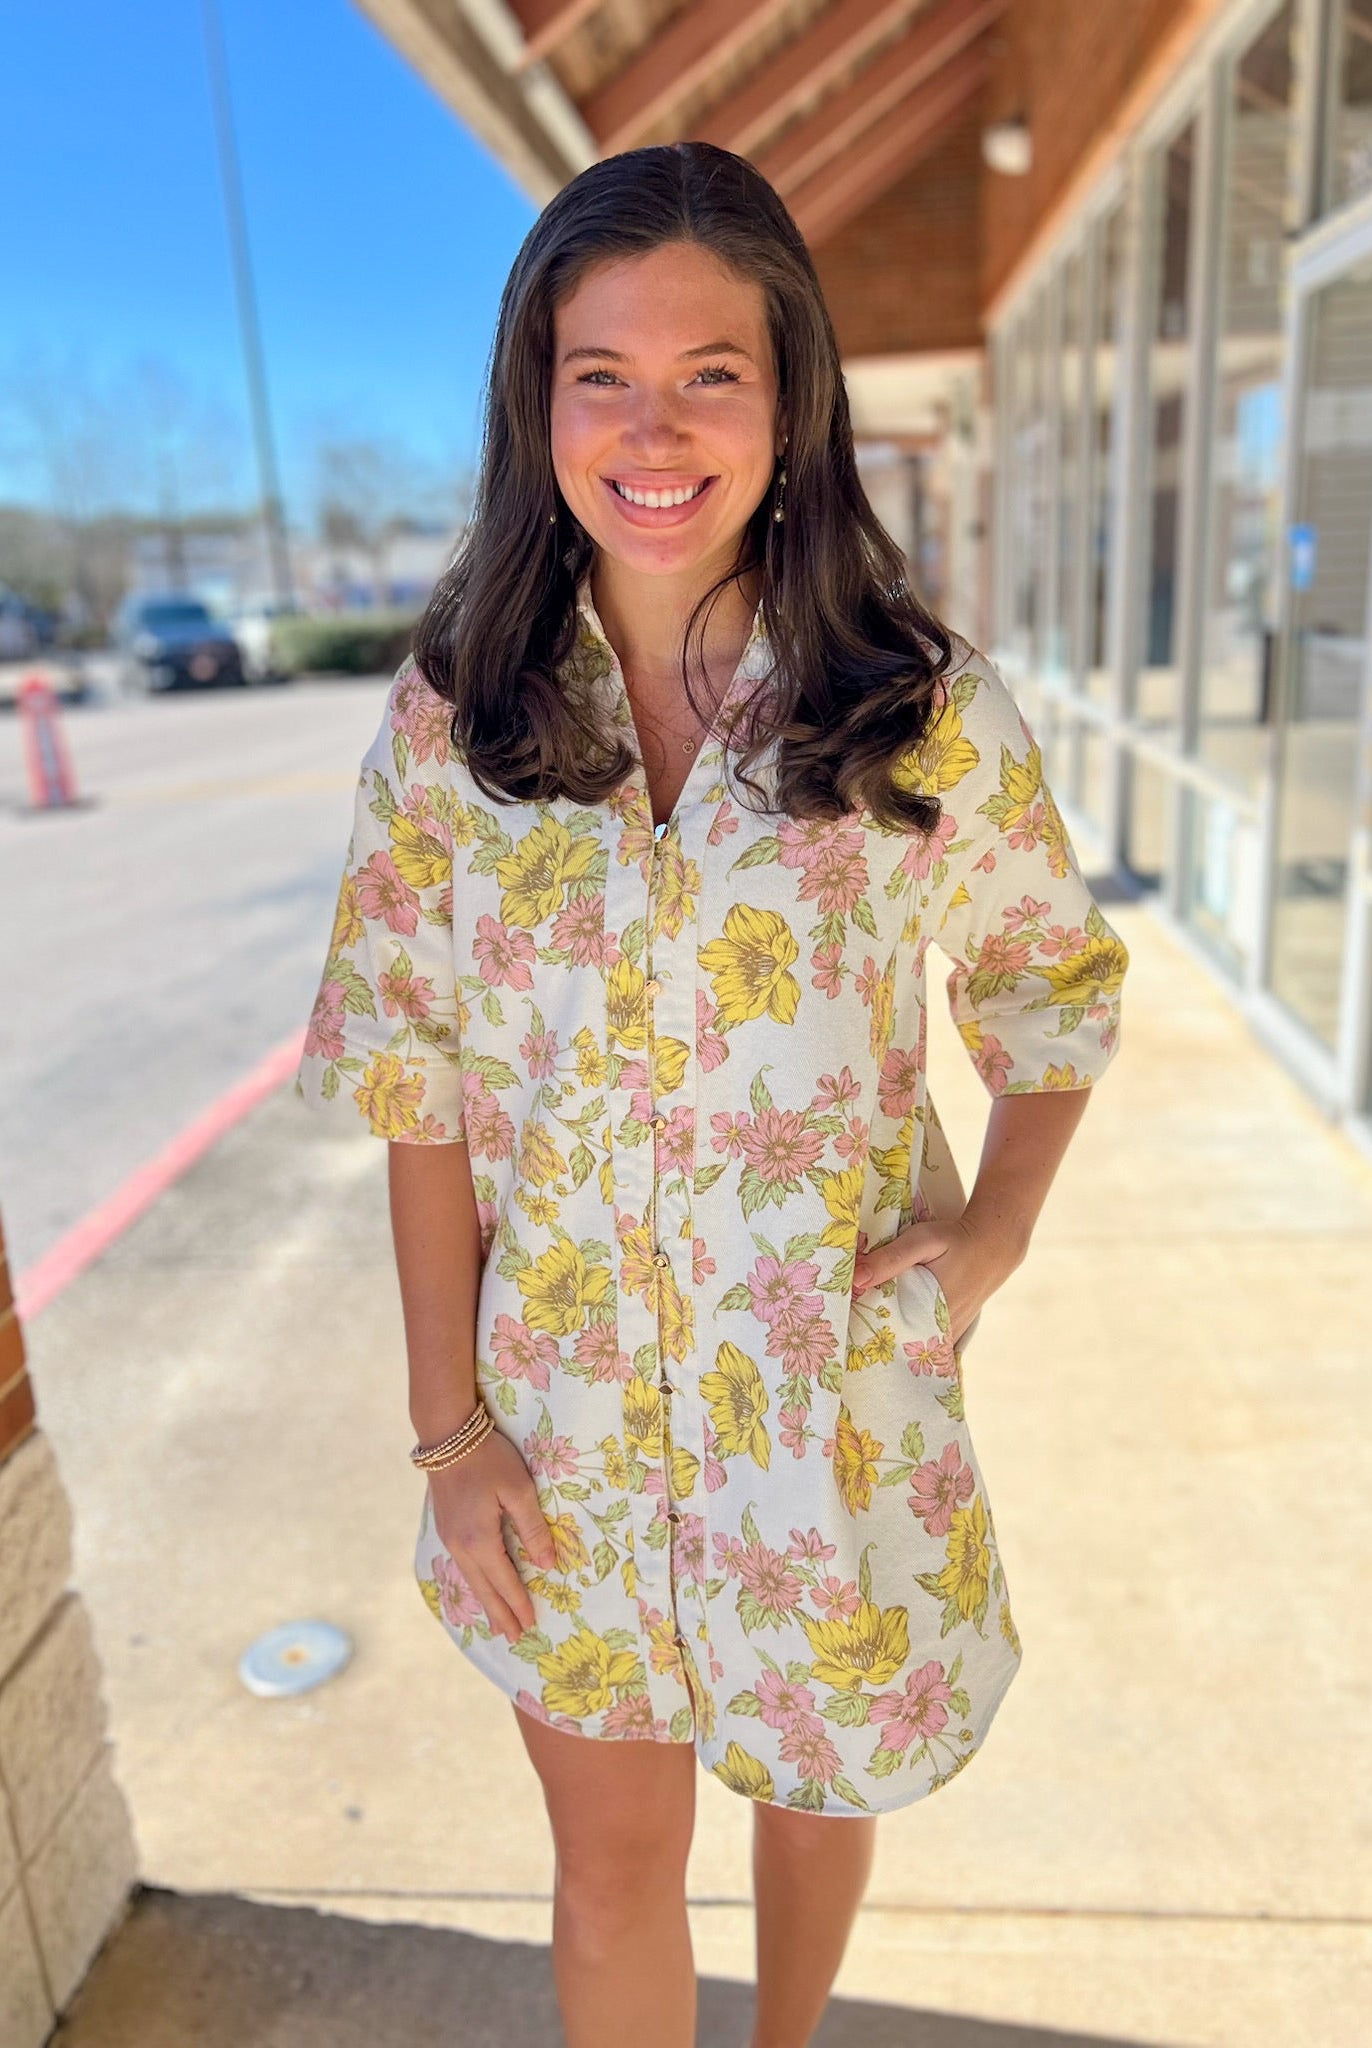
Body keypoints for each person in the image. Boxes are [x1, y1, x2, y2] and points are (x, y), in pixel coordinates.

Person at [295, 141, 1129, 2048]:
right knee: (605, 1871)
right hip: (557, 1434)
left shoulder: (912, 708)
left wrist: (990, 1233)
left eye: (710, 375)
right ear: (539, 398)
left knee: (809, 1793)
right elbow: (412, 1084)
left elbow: (1049, 985)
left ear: (790, 399)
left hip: (822, 1409)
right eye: (603, 374)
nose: (653, 428)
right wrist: (452, 1433)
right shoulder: (450, 725)